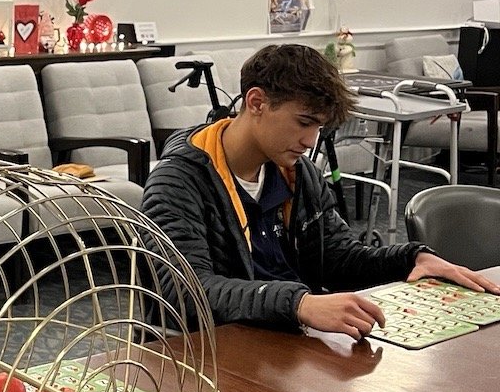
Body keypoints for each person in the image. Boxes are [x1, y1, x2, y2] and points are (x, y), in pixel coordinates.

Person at [142, 44, 498, 339]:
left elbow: (338, 258)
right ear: (256, 103)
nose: (311, 141)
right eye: (303, 122)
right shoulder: (177, 182)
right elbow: (186, 293)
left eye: (319, 127)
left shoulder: (299, 173)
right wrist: (299, 303)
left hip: (290, 341)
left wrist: (411, 259)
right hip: (222, 352)